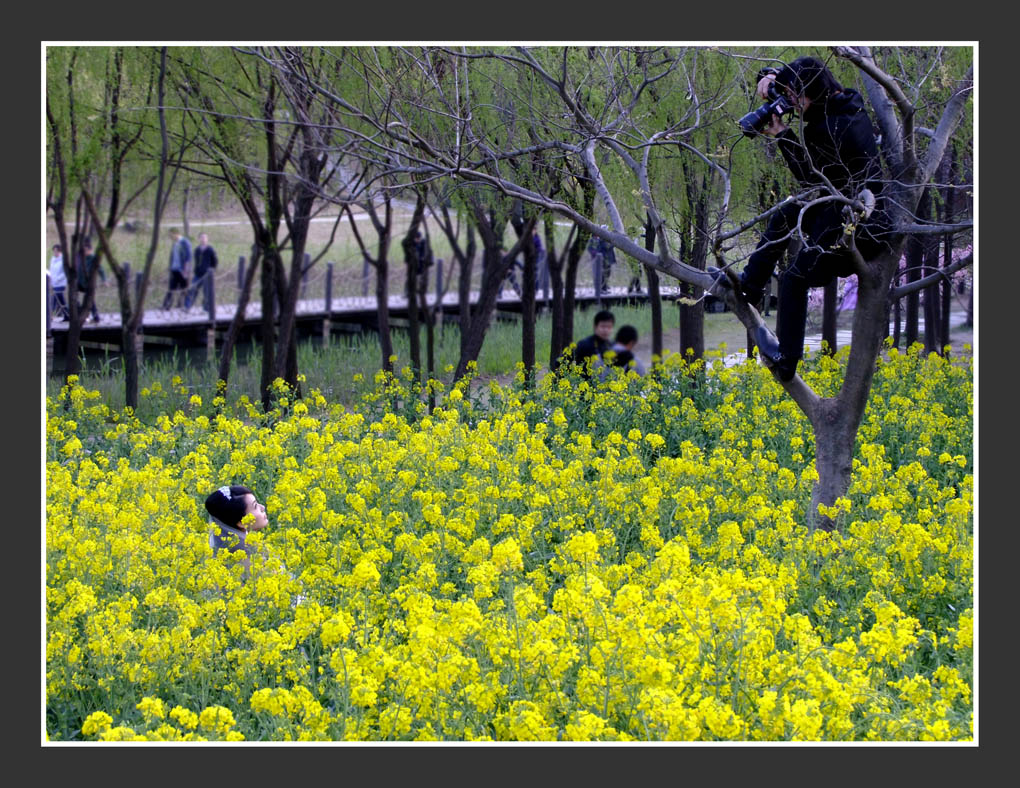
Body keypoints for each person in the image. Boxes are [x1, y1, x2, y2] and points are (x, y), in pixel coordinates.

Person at [733, 56, 891, 382]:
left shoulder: (834, 127)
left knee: (795, 277)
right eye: (786, 94)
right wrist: (770, 79)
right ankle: (750, 285)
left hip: (859, 227)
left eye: (794, 96)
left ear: (812, 92)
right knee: (786, 213)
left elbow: (810, 176)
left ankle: (787, 359)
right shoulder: (838, 102)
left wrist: (781, 134)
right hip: (840, 207)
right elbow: (800, 86)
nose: (789, 102)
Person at [204, 485, 269, 580]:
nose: (262, 507)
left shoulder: (250, 546)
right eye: (255, 506)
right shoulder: (246, 560)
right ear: (241, 523)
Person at [184, 232, 218, 311]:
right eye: (201, 237)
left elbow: (215, 261)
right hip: (197, 274)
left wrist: (212, 270)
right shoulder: (197, 250)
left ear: (207, 239)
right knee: (192, 290)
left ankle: (206, 308)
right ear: (199, 239)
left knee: (206, 292)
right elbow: (196, 262)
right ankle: (188, 307)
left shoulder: (210, 250)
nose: (203, 239)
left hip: (207, 274)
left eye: (205, 237)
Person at [161, 228, 193, 310]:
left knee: (184, 288)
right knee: (171, 288)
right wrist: (170, 266)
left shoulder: (185, 242)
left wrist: (186, 271)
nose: (170, 237)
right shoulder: (175, 243)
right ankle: (166, 306)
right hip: (174, 269)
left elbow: (188, 257)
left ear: (176, 233)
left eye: (171, 234)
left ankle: (183, 305)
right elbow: (172, 256)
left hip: (182, 270)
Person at [76, 239, 105, 323]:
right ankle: (79, 313)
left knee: (90, 301)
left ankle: (96, 317)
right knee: (74, 294)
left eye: (85, 250)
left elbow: (101, 269)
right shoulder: (82, 258)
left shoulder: (93, 258)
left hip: (89, 284)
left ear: (90, 250)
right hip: (81, 282)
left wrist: (104, 280)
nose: (84, 252)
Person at [48, 244, 68, 320]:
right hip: (54, 283)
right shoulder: (53, 260)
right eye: (53, 251)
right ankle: (67, 315)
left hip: (61, 283)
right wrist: (50, 279)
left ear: (60, 251)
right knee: (61, 301)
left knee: (55, 299)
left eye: (56, 251)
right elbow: (51, 270)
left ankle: (49, 315)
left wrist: (57, 279)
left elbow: (65, 272)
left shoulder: (63, 260)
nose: (54, 253)